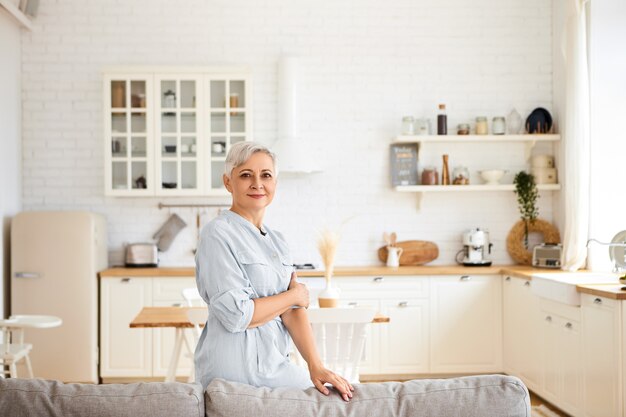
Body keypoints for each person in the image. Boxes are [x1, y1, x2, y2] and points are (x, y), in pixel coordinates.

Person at [194, 141, 354, 401]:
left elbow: (293, 313)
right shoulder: (217, 234)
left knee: (335, 397)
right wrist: (294, 296)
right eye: (246, 175)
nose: (257, 183)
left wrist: (316, 365)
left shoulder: (278, 241)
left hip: (274, 366)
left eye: (266, 175)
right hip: (233, 373)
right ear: (228, 182)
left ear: (275, 184)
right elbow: (237, 315)